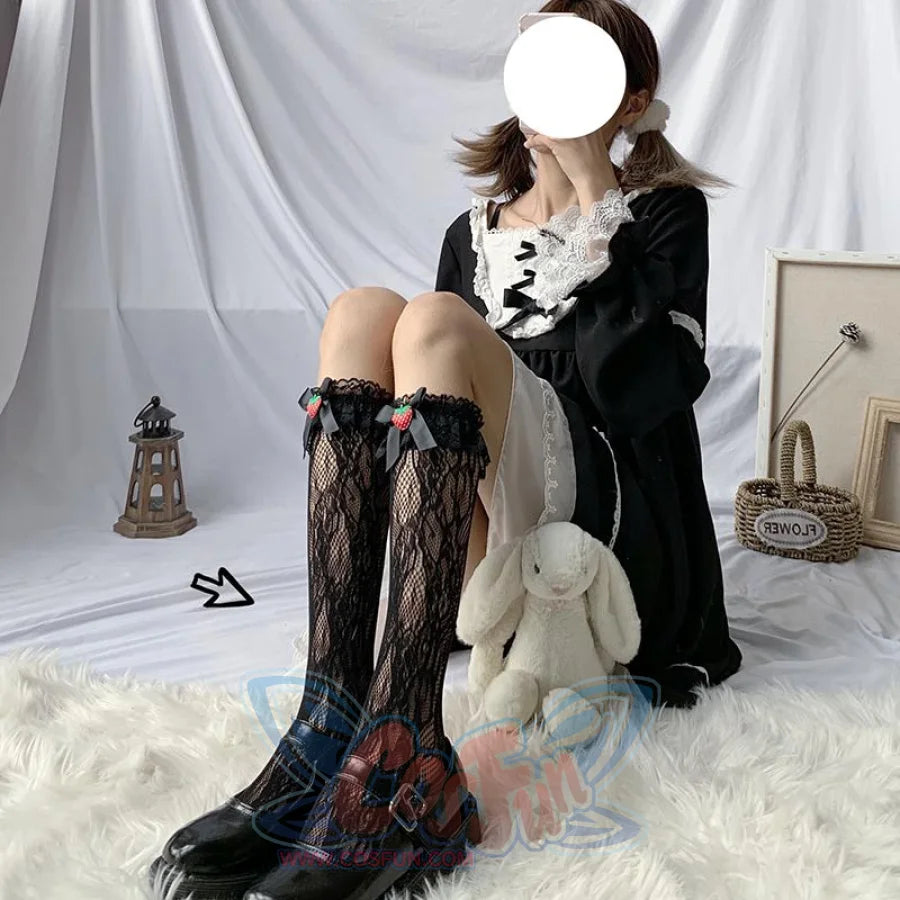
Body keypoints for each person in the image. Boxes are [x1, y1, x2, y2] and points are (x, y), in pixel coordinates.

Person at [149, 2, 743, 898]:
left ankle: (409, 750)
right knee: (360, 312)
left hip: (606, 533)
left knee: (431, 320)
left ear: (632, 100)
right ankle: (332, 716)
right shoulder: (472, 235)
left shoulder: (663, 215)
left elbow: (644, 395)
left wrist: (597, 198)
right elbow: (427, 434)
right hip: (484, 548)